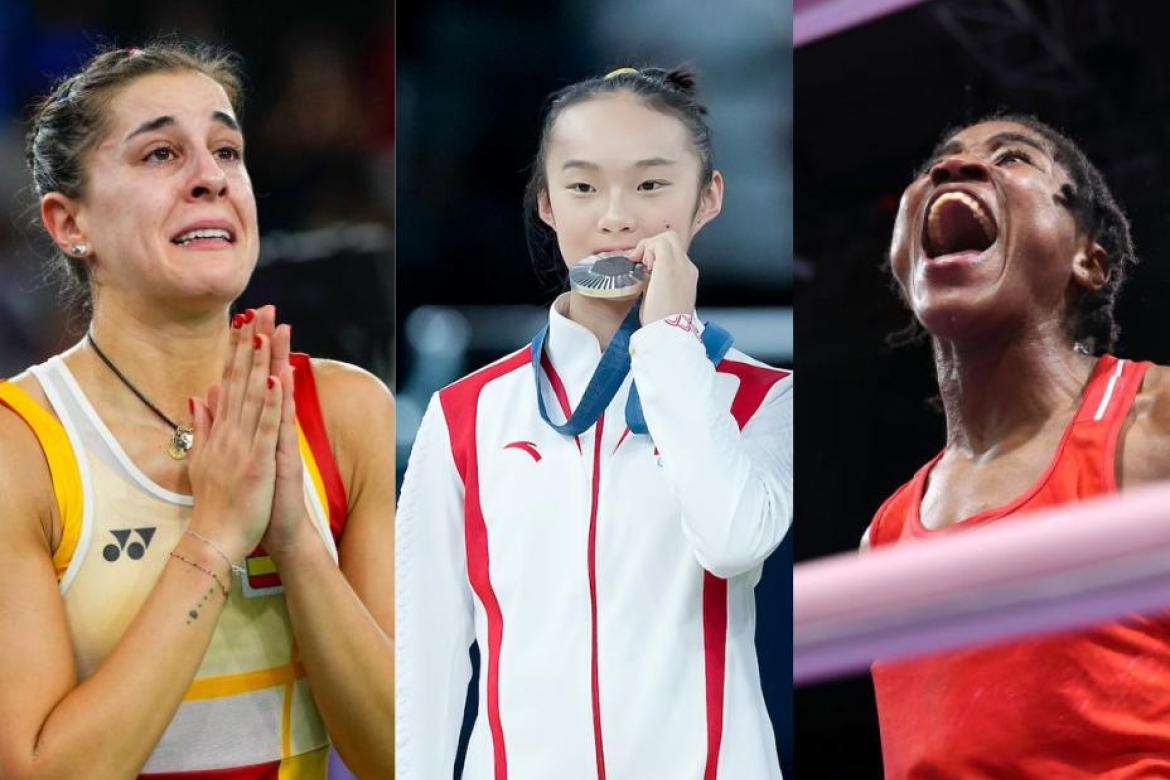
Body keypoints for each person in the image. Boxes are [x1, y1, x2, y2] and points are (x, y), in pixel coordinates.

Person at [0, 44, 394, 778]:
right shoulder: (20, 445)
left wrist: (297, 540)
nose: (210, 177)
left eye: (226, 150)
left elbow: (403, 758)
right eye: (159, 154)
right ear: (68, 222)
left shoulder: (344, 412)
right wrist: (213, 536)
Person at [396, 66, 792, 779]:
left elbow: (732, 541)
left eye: (650, 185)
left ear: (709, 199)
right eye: (582, 186)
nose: (615, 216)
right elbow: (423, 660)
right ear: (546, 203)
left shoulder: (764, 401)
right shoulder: (467, 415)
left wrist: (670, 338)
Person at [864, 115, 1170, 778]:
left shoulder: (1155, 425)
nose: (955, 169)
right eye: (940, 161)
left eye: (1013, 157)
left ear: (1089, 258)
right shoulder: (884, 536)